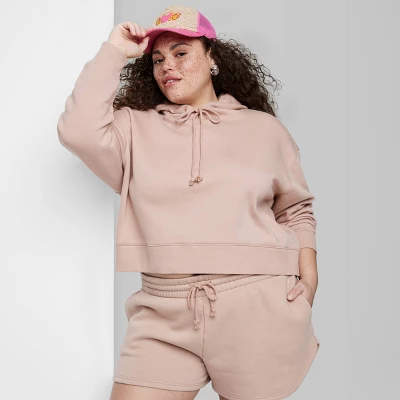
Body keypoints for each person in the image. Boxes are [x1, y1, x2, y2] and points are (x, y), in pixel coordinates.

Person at [57, 4, 320, 400]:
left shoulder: (264, 130)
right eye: (158, 59)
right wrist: (114, 50)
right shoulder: (132, 129)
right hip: (162, 311)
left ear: (212, 58)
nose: (168, 66)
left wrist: (310, 277)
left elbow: (295, 209)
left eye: (181, 53)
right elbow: (77, 130)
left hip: (257, 307)